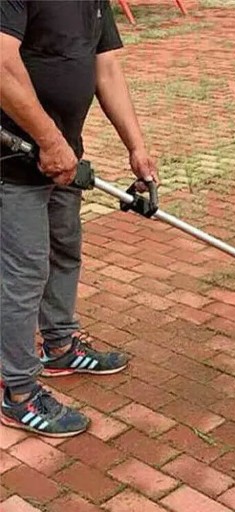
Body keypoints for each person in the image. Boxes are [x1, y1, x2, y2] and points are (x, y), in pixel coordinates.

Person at [0, 0, 159, 437]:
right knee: (24, 273)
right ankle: (17, 391)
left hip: (64, 158)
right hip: (14, 159)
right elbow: (2, 64)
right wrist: (49, 141)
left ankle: (60, 346)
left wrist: (136, 147)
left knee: (64, 251)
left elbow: (106, 69)